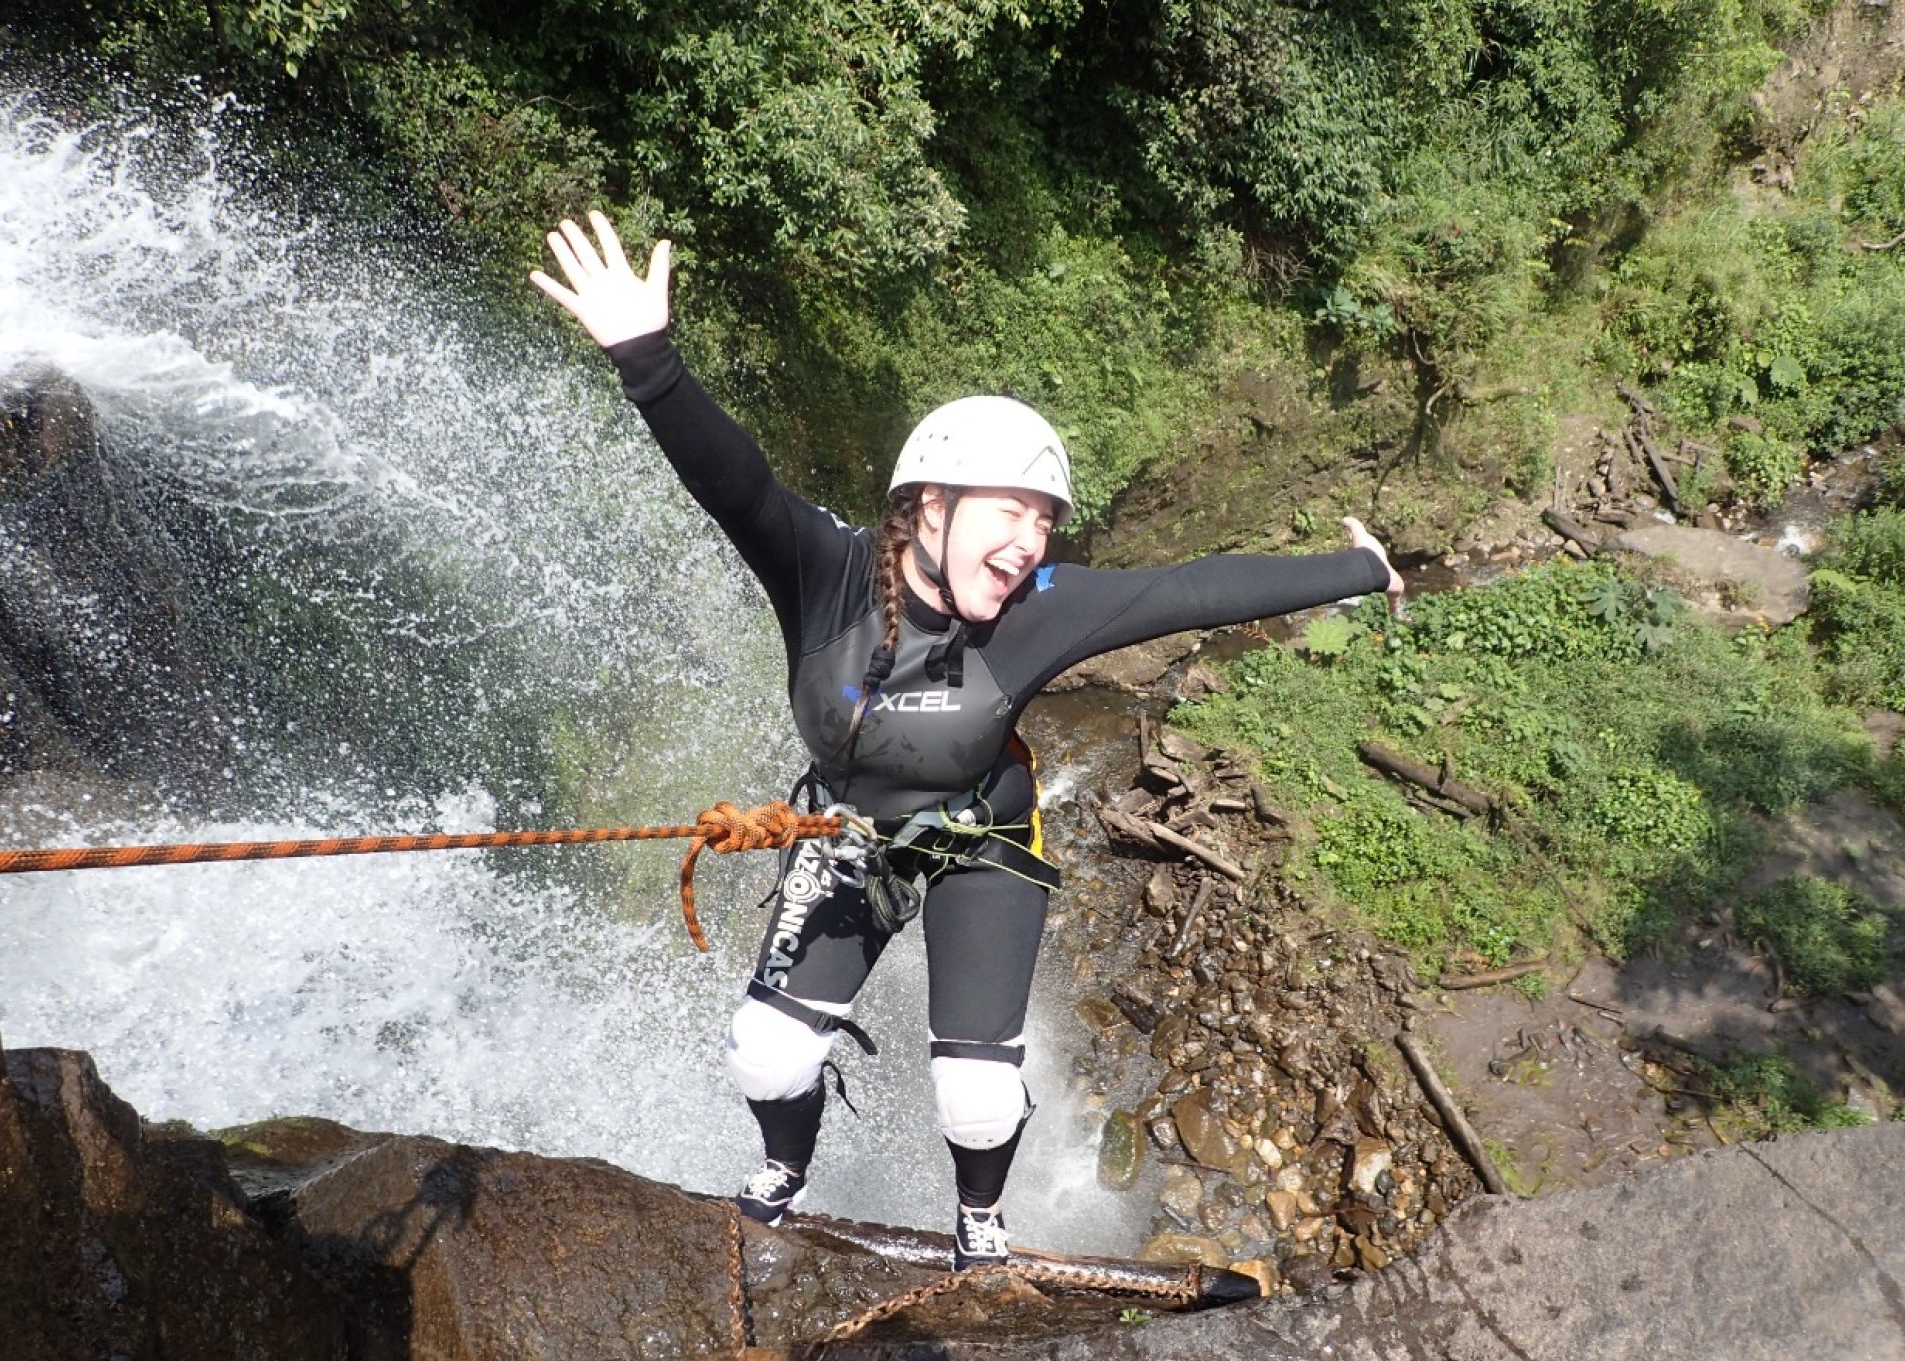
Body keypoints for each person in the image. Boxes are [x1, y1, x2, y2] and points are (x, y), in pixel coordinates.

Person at [533, 212, 1404, 1270]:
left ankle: (980, 1223)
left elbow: (1191, 590)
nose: (1033, 539)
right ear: (930, 509)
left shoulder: (1041, 607)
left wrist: (1362, 570)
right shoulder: (828, 574)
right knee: (765, 1055)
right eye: (1013, 511)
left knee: (978, 1095)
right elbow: (737, 484)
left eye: (1047, 519)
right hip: (851, 833)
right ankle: (780, 1175)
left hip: (983, 842)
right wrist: (650, 364)